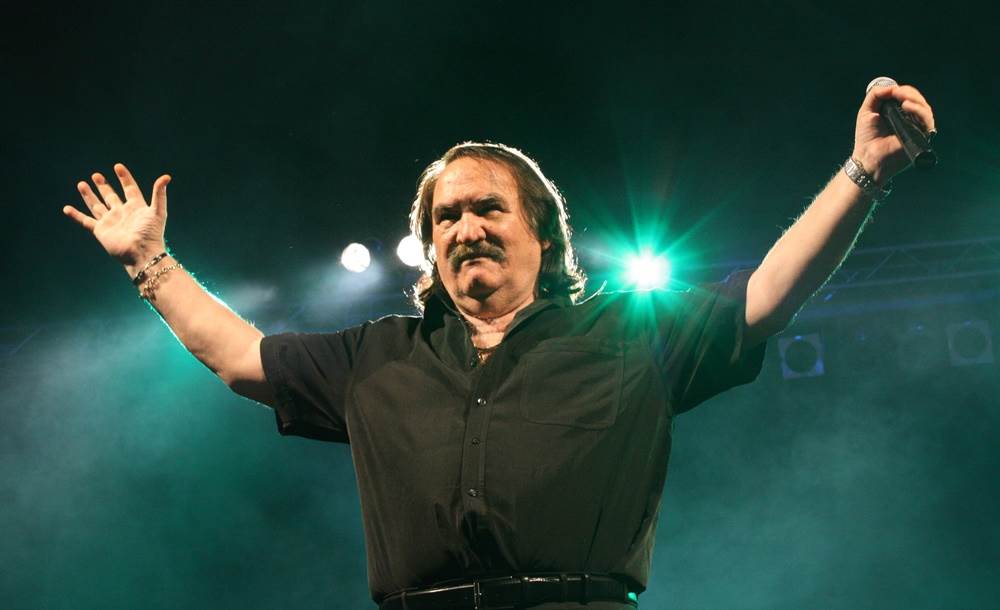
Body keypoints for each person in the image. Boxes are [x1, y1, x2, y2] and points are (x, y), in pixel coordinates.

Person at [63, 82, 935, 609]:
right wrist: (148, 262)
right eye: (446, 216)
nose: (466, 227)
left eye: (488, 208)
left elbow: (766, 295)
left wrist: (865, 172)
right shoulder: (377, 357)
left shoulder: (628, 336)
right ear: (429, 247)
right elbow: (239, 357)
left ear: (543, 237)